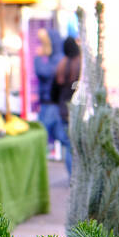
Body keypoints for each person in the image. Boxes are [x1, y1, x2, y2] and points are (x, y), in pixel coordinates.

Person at [51, 36, 82, 175]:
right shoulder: (80, 65)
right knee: (77, 145)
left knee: (70, 145)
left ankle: (72, 177)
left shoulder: (61, 65)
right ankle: (78, 177)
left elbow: (54, 90)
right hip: (77, 109)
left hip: (64, 109)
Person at [34, 29, 62, 157]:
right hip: (50, 102)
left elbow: (44, 73)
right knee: (58, 135)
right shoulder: (55, 58)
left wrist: (38, 58)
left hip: (51, 103)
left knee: (42, 135)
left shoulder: (57, 59)